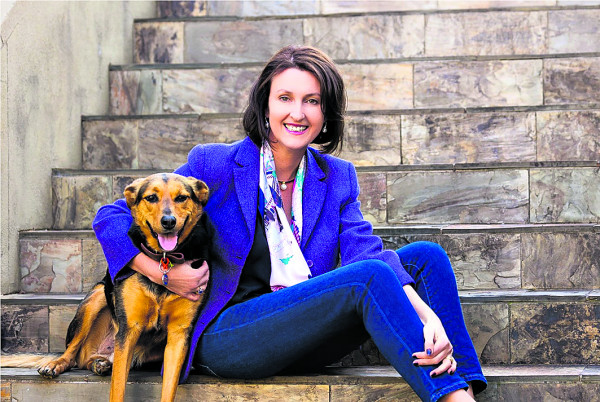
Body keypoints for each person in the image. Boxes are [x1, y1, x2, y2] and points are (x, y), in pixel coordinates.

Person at [93, 45, 487, 401]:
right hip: (230, 335)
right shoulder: (217, 164)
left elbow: (363, 252)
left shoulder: (337, 176)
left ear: (325, 113)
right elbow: (111, 217)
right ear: (265, 106)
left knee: (426, 258)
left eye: (312, 101)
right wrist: (162, 274)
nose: (298, 113)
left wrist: (429, 317)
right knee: (369, 277)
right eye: (285, 98)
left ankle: (464, 388)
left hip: (308, 328)